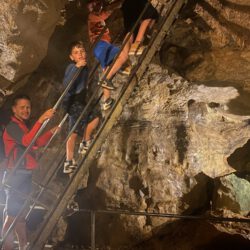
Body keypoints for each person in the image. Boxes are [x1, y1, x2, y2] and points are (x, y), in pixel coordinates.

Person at [2, 94, 58, 250]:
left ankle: (23, 247)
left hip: (24, 175)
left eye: (28, 107)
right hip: (16, 176)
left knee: (20, 217)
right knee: (12, 216)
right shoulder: (13, 127)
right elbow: (27, 142)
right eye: (22, 107)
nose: (26, 110)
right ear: (14, 109)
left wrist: (51, 132)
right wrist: (40, 120)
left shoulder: (22, 126)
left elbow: (36, 142)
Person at [62, 41, 100, 174]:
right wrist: (76, 66)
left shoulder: (85, 67)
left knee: (89, 120)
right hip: (73, 102)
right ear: (72, 57)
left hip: (79, 101)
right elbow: (66, 83)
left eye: (82, 51)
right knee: (78, 128)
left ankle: (72, 157)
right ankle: (80, 147)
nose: (80, 54)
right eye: (76, 52)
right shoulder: (71, 67)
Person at [87, 0, 131, 110]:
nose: (95, 6)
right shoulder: (92, 15)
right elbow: (105, 13)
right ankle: (107, 78)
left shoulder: (93, 16)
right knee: (122, 55)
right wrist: (118, 4)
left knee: (107, 68)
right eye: (93, 5)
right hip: (100, 44)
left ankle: (107, 100)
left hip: (99, 46)